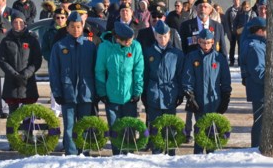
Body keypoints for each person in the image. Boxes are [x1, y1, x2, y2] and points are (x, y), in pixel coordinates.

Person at [49, 12, 98, 155]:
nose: (76, 30)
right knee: (69, 126)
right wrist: (57, 92)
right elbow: (54, 72)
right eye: (72, 27)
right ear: (67, 28)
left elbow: (96, 71)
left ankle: (85, 152)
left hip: (86, 93)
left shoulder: (90, 46)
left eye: (78, 27)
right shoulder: (59, 47)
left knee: (84, 125)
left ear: (82, 27)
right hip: (67, 93)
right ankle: (71, 153)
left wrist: (95, 92)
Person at [95, 21, 144, 154]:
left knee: (129, 128)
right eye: (126, 41)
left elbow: (138, 71)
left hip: (129, 96)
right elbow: (100, 70)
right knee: (115, 127)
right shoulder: (105, 47)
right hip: (112, 94)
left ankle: (129, 154)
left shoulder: (135, 47)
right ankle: (117, 154)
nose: (129, 42)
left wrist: (137, 91)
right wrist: (102, 92)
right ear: (117, 38)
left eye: (131, 39)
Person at [181, 28, 231, 154]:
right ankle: (197, 154)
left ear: (213, 42)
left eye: (208, 42)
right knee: (200, 128)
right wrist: (190, 95)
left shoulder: (219, 58)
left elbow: (225, 79)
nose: (206, 45)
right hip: (199, 99)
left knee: (212, 129)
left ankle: (211, 154)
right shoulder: (192, 57)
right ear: (198, 41)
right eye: (203, 42)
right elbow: (188, 77)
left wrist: (225, 97)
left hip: (214, 99)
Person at [141, 20, 185, 152]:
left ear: (169, 35)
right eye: (160, 37)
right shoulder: (148, 52)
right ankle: (156, 152)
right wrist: (144, 93)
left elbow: (180, 75)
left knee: (170, 127)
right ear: (155, 36)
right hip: (154, 93)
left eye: (165, 36)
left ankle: (171, 153)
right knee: (155, 127)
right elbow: (145, 74)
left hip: (170, 94)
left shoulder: (177, 54)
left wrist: (180, 94)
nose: (163, 39)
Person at [0, 11, 42, 113]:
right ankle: (12, 130)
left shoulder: (32, 40)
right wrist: (14, 74)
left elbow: (37, 60)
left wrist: (26, 73)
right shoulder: (6, 41)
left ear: (24, 23)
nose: (18, 25)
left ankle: (27, 129)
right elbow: (2, 60)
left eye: (21, 22)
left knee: (27, 115)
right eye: (15, 22)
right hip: (11, 82)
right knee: (13, 117)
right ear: (12, 23)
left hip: (28, 82)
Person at [239, 18, 267, 148]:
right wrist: (271, 83)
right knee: (260, 123)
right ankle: (256, 147)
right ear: (260, 31)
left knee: (261, 121)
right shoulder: (256, 47)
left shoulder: (255, 43)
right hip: (260, 90)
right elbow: (258, 72)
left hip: (258, 89)